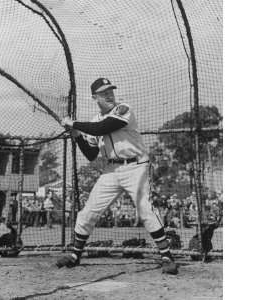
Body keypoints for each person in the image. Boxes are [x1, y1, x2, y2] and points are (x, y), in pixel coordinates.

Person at [56, 78, 178, 274]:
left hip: (135, 166)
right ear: (95, 97)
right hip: (111, 170)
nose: (109, 95)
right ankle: (75, 254)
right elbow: (91, 154)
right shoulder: (94, 121)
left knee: (145, 209)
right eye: (104, 93)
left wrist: (74, 123)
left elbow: (103, 128)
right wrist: (77, 134)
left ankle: (166, 256)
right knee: (88, 212)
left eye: (110, 91)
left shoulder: (123, 109)